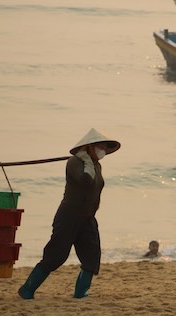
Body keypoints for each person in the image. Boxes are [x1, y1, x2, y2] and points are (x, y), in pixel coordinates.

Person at [18, 128, 121, 300]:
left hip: (87, 217)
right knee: (55, 256)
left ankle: (80, 293)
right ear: (89, 146)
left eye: (105, 146)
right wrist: (86, 161)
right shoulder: (74, 163)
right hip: (69, 216)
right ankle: (27, 289)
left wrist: (90, 162)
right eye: (100, 146)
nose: (103, 149)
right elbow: (86, 182)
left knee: (92, 255)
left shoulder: (96, 165)